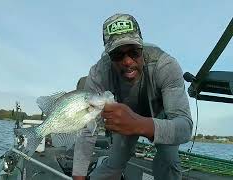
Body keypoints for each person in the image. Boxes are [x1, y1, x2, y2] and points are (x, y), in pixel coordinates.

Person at [72, 13, 192, 180]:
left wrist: (140, 124)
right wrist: (79, 175)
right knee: (114, 163)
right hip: (124, 119)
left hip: (161, 117)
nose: (127, 61)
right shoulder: (99, 73)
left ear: (142, 48)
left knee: (170, 161)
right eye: (117, 55)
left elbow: (184, 127)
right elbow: (87, 130)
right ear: (109, 56)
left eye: (134, 52)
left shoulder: (165, 65)